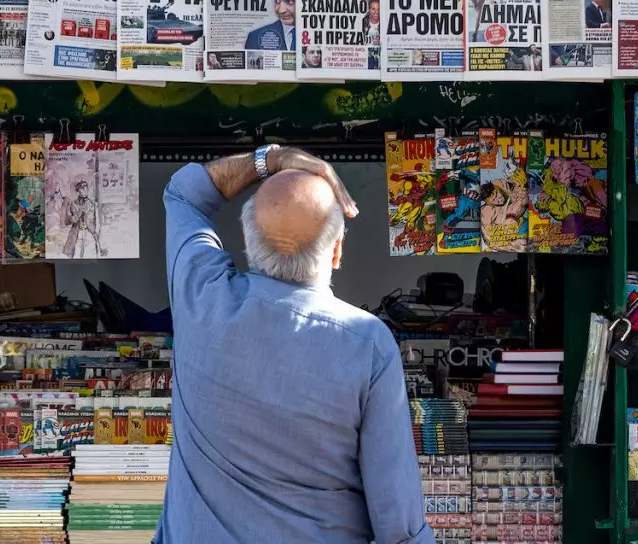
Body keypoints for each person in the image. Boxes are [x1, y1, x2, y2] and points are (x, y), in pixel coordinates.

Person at [155, 147, 431, 544]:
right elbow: (400, 529)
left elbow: (184, 194)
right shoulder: (368, 345)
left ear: (249, 244)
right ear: (337, 252)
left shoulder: (200, 298)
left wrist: (272, 159)